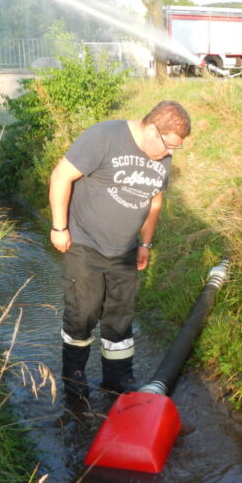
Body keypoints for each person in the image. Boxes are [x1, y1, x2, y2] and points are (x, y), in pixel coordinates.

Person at [49, 101, 192, 397]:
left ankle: (117, 379)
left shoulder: (161, 154)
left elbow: (154, 200)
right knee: (83, 312)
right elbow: (61, 176)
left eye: (176, 149)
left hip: (124, 250)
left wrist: (145, 244)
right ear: (152, 129)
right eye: (170, 146)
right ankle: (74, 379)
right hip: (84, 244)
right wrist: (59, 227)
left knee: (120, 318)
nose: (170, 154)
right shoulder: (104, 137)